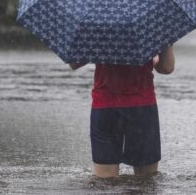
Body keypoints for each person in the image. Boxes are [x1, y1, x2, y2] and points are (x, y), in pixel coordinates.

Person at [69, 46, 175, 178]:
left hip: (105, 107)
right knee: (146, 180)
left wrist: (99, 48)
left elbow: (73, 63)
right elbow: (166, 68)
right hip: (141, 106)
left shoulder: (98, 26)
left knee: (105, 180)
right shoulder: (152, 26)